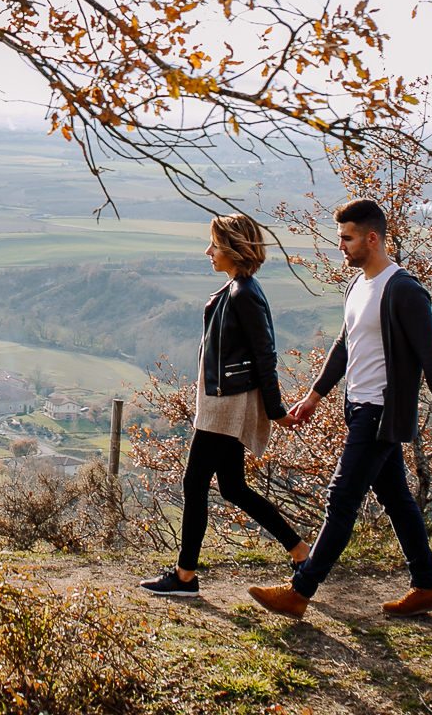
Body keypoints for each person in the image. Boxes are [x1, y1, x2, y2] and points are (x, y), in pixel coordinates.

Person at [248, 198, 432, 619]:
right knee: (397, 499)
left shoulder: (404, 291)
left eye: (347, 238)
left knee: (341, 498)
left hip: (380, 413)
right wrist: (316, 395)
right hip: (357, 408)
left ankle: (299, 592)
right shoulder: (357, 286)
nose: (341, 246)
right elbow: (344, 345)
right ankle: (427, 586)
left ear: (372, 239)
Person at [140, 212, 307, 598]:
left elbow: (266, 354)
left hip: (227, 403)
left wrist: (277, 409)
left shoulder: (245, 294)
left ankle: (184, 577)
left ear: (233, 248)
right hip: (222, 397)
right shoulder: (239, 289)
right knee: (232, 487)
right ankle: (300, 552)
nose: (208, 251)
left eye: (214, 244)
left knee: (194, 483)